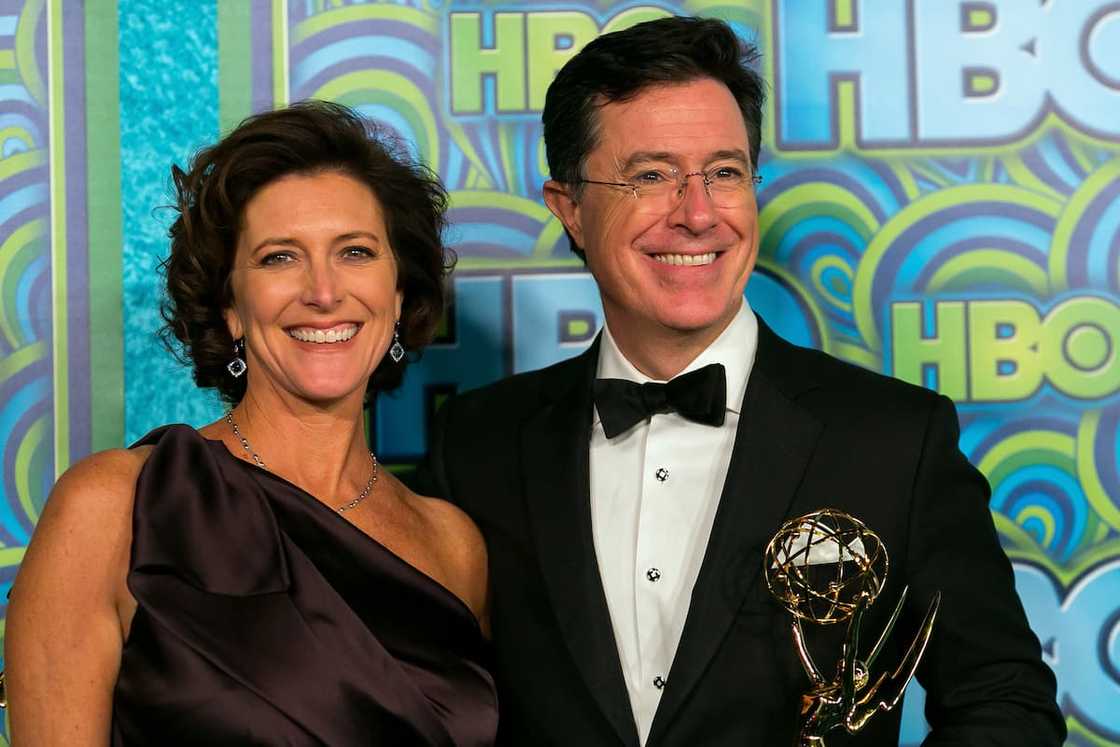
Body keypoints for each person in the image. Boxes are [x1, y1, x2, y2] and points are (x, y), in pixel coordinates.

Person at [412, 16, 1065, 746]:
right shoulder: (479, 445)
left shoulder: (894, 441)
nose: (697, 214)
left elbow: (1005, 704)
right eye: (651, 175)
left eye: (724, 172)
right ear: (568, 206)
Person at [5, 101, 497, 745]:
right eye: (279, 258)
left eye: (355, 252)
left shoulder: (452, 543)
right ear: (231, 307)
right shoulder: (115, 508)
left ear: (399, 296)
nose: (323, 291)